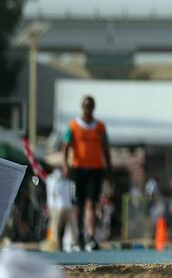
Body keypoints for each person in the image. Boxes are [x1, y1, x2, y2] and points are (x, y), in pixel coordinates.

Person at [62, 95, 112, 251]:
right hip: (78, 169)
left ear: (93, 108)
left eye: (90, 106)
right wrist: (66, 165)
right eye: (85, 105)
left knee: (91, 204)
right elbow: (65, 147)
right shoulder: (73, 126)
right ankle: (78, 237)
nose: (88, 108)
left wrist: (109, 168)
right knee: (79, 205)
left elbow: (106, 148)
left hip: (95, 169)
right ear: (81, 107)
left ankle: (91, 237)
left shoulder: (100, 127)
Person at [45, 167, 75, 251]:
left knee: (58, 226)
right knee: (57, 227)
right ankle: (58, 243)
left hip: (60, 207)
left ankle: (62, 243)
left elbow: (53, 195)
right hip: (61, 207)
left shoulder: (64, 182)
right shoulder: (53, 180)